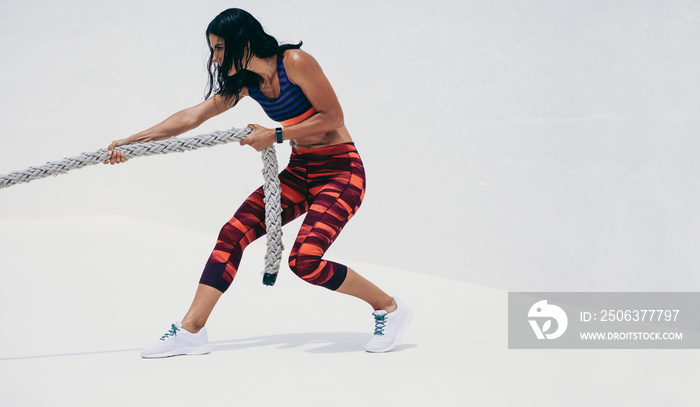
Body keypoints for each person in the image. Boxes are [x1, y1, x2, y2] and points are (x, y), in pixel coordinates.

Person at [104, 8, 412, 357]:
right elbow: (193, 116)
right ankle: (191, 330)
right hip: (300, 171)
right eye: (213, 50)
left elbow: (333, 118)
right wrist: (134, 141)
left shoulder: (294, 61)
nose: (216, 58)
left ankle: (390, 307)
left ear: (244, 42)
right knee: (232, 233)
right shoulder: (248, 84)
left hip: (341, 171)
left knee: (305, 261)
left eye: (220, 48)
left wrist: (276, 134)